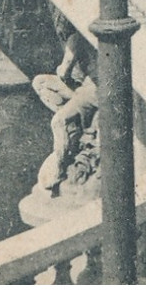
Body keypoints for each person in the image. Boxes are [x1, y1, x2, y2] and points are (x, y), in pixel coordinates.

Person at [33, 15, 98, 197]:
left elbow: (65, 69)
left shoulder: (75, 35)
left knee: (58, 121)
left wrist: (64, 73)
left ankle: (59, 171)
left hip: (93, 89)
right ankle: (73, 122)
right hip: (87, 85)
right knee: (41, 82)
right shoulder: (83, 30)